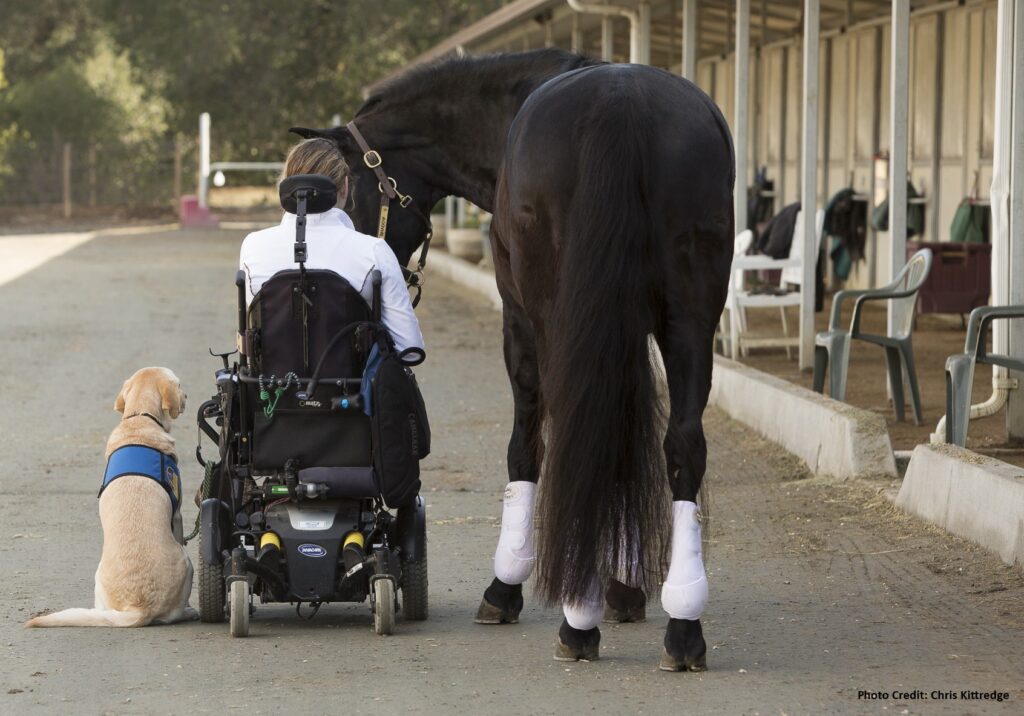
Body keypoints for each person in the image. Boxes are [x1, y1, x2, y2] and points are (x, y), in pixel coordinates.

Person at [239, 138, 424, 353]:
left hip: (271, 385)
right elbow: (410, 348)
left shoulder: (253, 246)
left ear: (286, 186)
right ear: (344, 187)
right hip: (355, 385)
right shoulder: (374, 251)